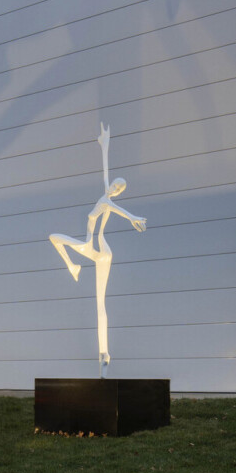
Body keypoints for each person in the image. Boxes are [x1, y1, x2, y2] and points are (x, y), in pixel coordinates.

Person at [48, 124, 146, 373]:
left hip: (99, 251)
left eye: (118, 188)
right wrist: (105, 143)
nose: (113, 187)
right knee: (55, 238)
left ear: (119, 192)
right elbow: (105, 170)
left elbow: (117, 209)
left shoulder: (106, 201)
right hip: (90, 248)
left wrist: (133, 216)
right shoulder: (105, 191)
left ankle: (104, 353)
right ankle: (72, 265)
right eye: (114, 184)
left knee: (100, 302)